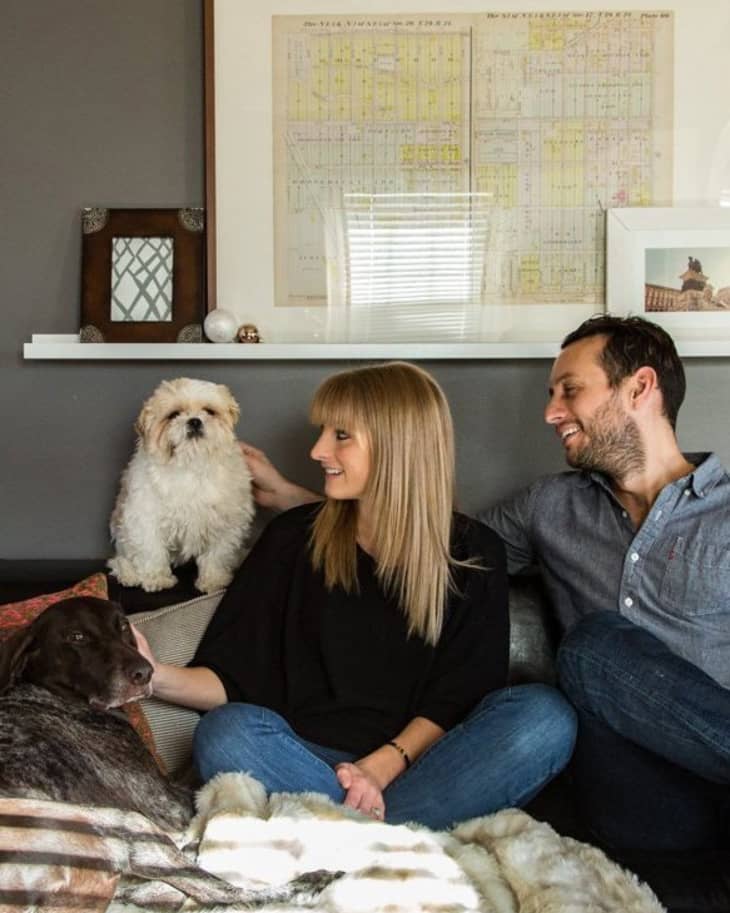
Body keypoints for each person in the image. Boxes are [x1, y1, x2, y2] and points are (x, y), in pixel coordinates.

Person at [245, 318, 730, 851]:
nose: (551, 413)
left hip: (715, 780)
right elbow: (420, 530)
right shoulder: (550, 507)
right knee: (592, 650)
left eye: (570, 391)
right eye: (552, 395)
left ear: (639, 387)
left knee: (596, 647)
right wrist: (296, 501)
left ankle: (361, 842)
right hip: (638, 795)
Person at [136, 361, 576, 831]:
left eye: (341, 435)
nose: (318, 449)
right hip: (302, 758)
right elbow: (231, 680)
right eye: (324, 432)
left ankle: (352, 832)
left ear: (397, 446)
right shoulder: (291, 540)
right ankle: (394, 837)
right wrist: (151, 675)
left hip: (426, 763)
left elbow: (461, 695)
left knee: (545, 718)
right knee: (226, 732)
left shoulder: (473, 552)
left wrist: (381, 767)